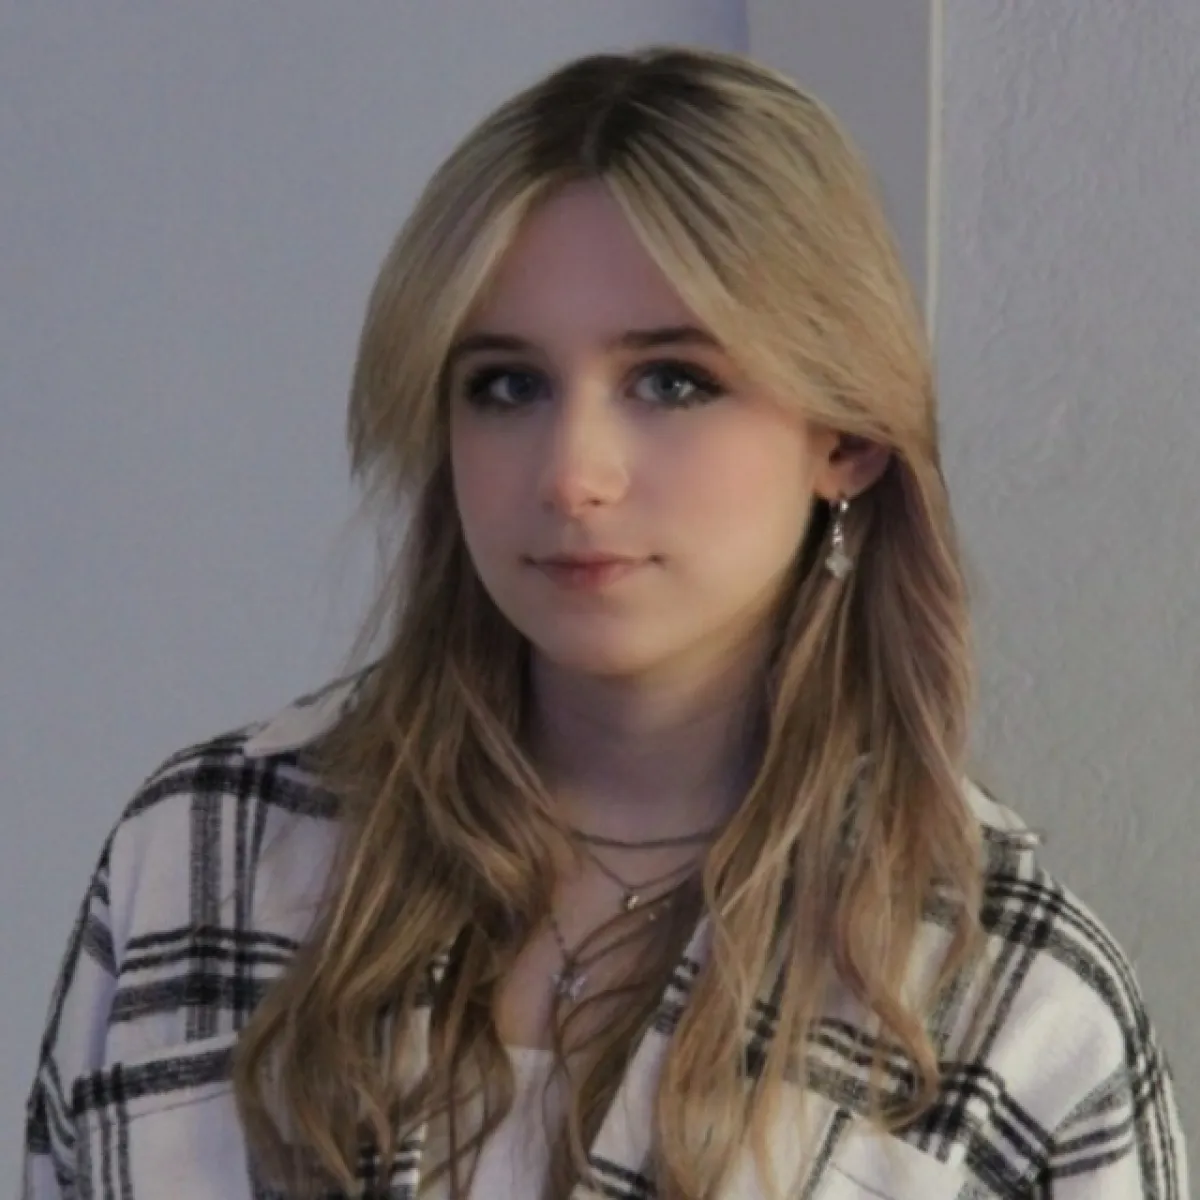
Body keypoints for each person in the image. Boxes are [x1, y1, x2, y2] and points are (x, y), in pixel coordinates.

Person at [20, 45, 1187, 1200]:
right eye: (507, 385)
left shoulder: (1013, 1012)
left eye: (673, 381)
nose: (573, 475)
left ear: (847, 437)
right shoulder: (208, 856)